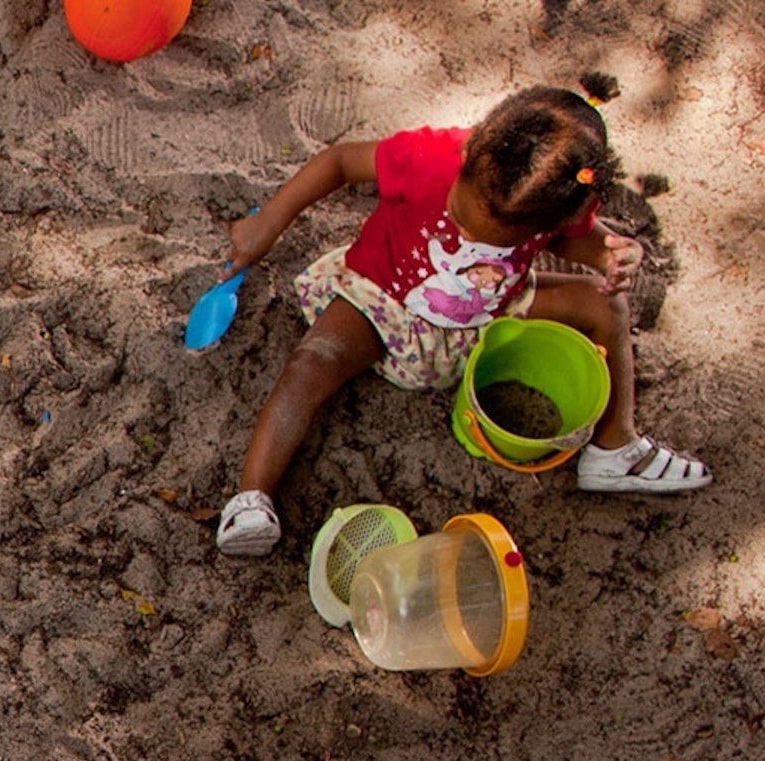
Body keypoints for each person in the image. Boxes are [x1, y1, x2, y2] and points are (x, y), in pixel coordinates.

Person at [215, 81, 708, 557]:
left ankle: (614, 447)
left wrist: (612, 256)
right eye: (459, 211)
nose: (466, 229)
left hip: (490, 316)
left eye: (492, 236)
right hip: (384, 298)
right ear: (472, 152)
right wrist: (269, 222)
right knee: (310, 365)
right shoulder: (431, 156)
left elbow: (574, 238)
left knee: (606, 306)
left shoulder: (551, 202)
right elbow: (339, 162)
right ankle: (251, 500)